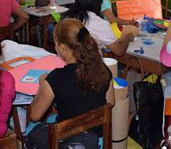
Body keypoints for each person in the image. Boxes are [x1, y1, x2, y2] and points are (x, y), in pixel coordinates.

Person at [28, 18, 115, 148]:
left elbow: (35, 115)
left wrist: (41, 86)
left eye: (55, 44)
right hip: (97, 138)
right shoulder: (102, 69)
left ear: (62, 48)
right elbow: (111, 102)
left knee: (31, 128)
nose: (55, 47)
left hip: (70, 140)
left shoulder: (55, 78)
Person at [61, 0, 134, 56]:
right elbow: (119, 51)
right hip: (89, 64)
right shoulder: (99, 23)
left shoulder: (65, 17)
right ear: (98, 3)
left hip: (68, 60)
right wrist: (127, 38)